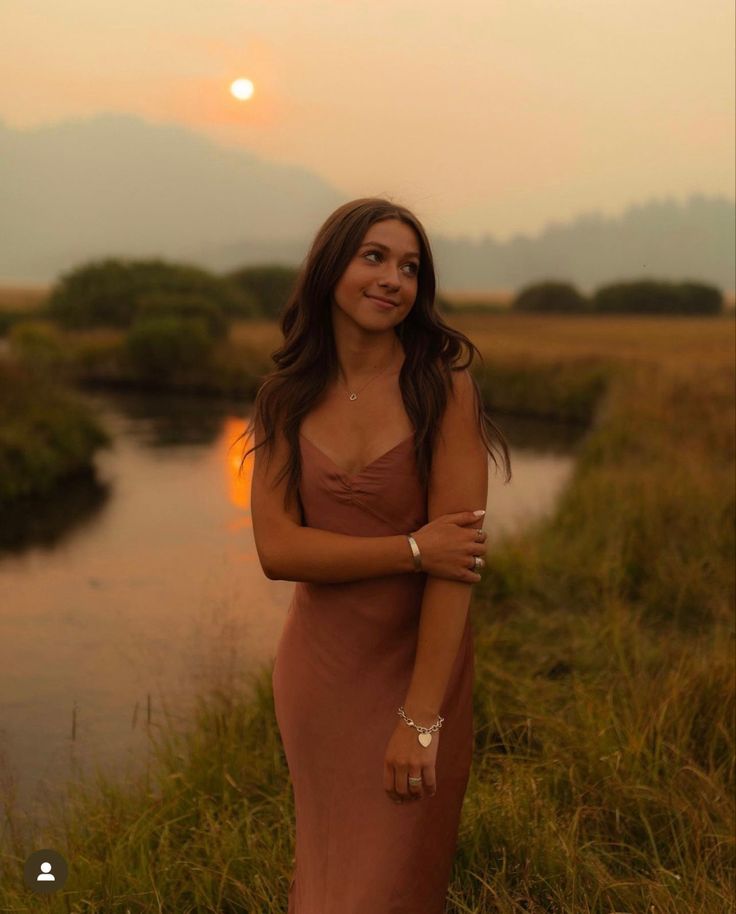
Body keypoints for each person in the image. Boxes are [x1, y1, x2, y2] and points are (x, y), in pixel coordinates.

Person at [239, 197, 511, 913]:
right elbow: (278, 549)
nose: (394, 278)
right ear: (331, 267)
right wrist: (415, 548)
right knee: (328, 882)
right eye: (374, 257)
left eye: (411, 267)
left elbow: (460, 568)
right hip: (319, 676)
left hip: (417, 674)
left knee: (389, 887)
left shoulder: (441, 388)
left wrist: (421, 720)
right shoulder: (284, 399)